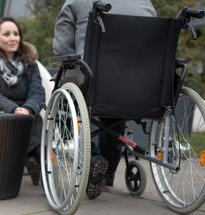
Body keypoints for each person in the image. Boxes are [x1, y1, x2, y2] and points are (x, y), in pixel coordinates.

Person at [53, 0, 156, 199]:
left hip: (94, 83)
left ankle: (91, 159)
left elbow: (63, 50)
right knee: (113, 111)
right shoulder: (146, 4)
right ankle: (106, 174)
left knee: (64, 104)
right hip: (139, 89)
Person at [0, 16, 45, 186]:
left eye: (16, 33)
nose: (13, 38)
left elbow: (37, 90)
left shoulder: (30, 63)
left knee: (35, 120)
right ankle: (38, 156)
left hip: (25, 112)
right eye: (6, 34)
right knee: (22, 124)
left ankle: (35, 162)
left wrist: (28, 109)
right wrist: (14, 109)